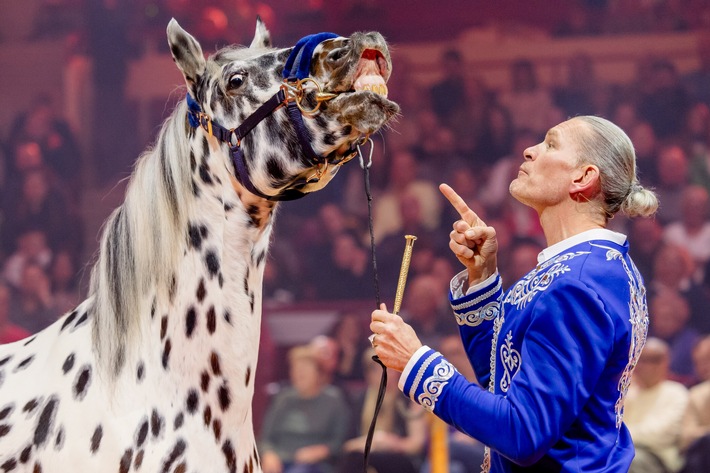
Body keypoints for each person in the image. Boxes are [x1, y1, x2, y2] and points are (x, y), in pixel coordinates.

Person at [369, 115, 659, 472]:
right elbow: (499, 380)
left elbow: (522, 432)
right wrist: (483, 276)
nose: (529, 150)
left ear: (583, 177)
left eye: (550, 144)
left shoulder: (576, 284)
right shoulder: (596, 267)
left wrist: (416, 361)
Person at [260, 344, 350, 473]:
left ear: (319, 373)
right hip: (279, 459)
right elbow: (265, 437)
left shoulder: (334, 400)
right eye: (295, 369)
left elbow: (340, 441)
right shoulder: (283, 398)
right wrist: (268, 454)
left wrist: (321, 450)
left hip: (313, 463)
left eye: (305, 368)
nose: (299, 373)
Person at [624, 338, 689, 473]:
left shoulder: (676, 392)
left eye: (652, 360)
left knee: (629, 460)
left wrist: (620, 436)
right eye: (640, 359)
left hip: (656, 458)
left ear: (665, 362)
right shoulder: (626, 393)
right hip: (625, 449)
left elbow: (661, 434)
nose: (643, 366)